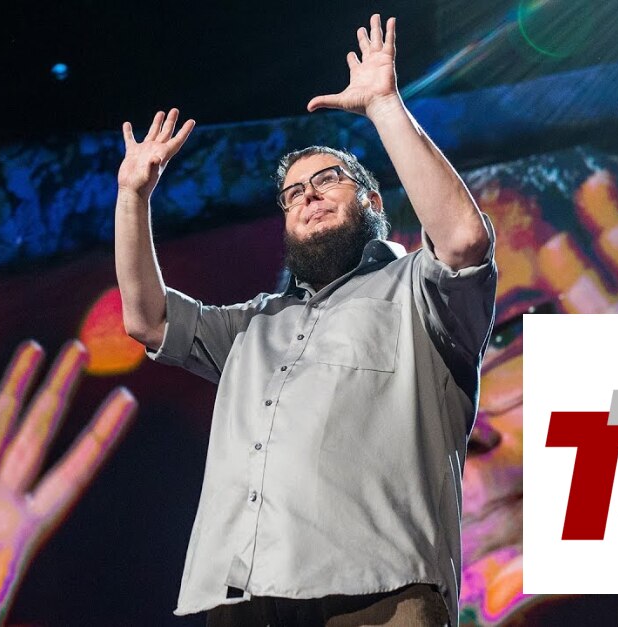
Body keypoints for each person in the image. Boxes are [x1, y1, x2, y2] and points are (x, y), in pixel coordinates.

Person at [115, 14, 496, 627]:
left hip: (379, 596)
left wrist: (384, 106)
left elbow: (462, 241)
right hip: (241, 601)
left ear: (372, 201)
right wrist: (133, 197)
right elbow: (146, 318)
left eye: (328, 180)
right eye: (293, 193)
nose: (308, 195)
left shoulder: (418, 293)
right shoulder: (253, 326)